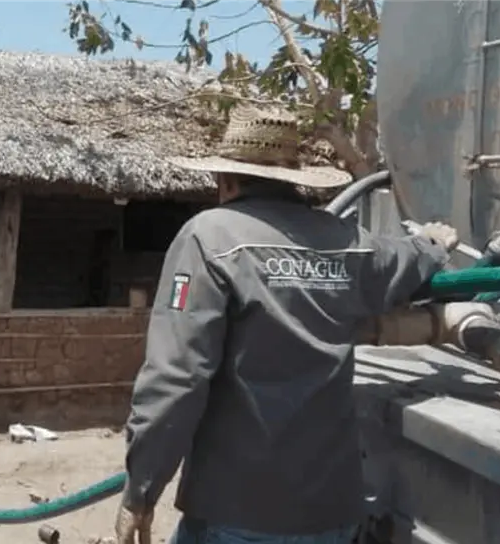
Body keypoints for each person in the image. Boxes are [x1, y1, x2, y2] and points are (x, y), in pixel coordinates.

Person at [114, 105, 459, 544]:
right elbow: (404, 261)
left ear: (227, 180)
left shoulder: (208, 237)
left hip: (236, 511)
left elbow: (176, 379)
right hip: (331, 514)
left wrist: (140, 491)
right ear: (291, 179)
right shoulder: (346, 242)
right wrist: (433, 243)